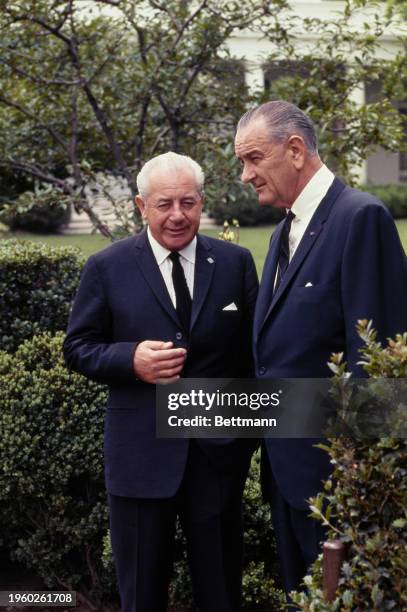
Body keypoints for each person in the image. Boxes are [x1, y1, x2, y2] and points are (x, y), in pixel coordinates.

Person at [63, 152, 258, 612]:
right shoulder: (107, 267)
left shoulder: (235, 263)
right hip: (139, 457)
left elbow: (255, 356)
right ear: (140, 206)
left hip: (216, 458)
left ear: (202, 202)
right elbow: (77, 347)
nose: (177, 215)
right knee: (142, 594)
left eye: (188, 203)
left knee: (222, 592)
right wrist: (130, 359)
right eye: (164, 204)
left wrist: (244, 437)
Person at [234, 100, 407, 598]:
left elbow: (377, 360)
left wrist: (361, 485)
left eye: (252, 159)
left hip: (336, 485)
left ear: (294, 150)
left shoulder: (361, 218)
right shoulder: (284, 231)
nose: (246, 175)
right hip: (288, 478)